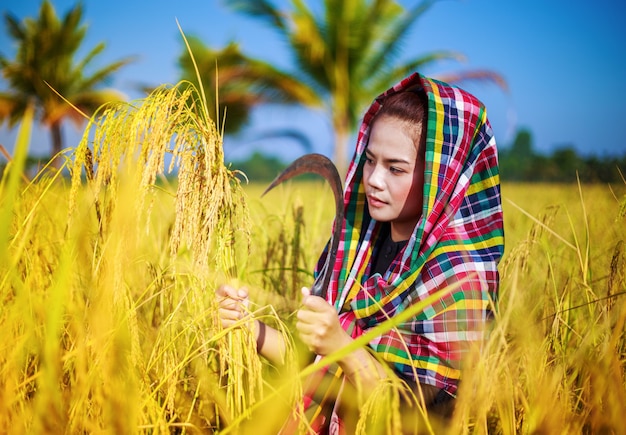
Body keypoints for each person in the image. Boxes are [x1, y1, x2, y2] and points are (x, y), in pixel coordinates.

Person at [217, 71, 504, 433]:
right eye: (370, 160)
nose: (374, 179)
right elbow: (311, 364)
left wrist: (342, 345)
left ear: (440, 178)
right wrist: (247, 327)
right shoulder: (355, 248)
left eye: (395, 168)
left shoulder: (458, 279)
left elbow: (425, 420)